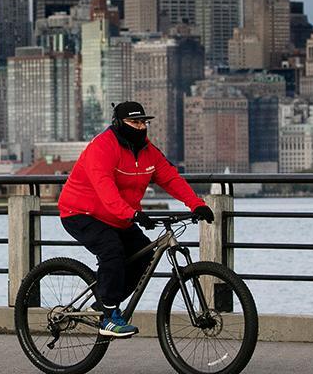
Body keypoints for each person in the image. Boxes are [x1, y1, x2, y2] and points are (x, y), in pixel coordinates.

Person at [57, 101, 214, 337]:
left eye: (143, 122)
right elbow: (105, 188)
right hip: (81, 212)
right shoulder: (102, 147)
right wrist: (132, 214)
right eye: (134, 122)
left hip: (118, 216)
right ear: (119, 124)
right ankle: (109, 317)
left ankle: (103, 303)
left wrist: (197, 204)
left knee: (144, 258)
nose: (140, 127)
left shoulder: (149, 151)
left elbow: (170, 178)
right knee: (112, 251)